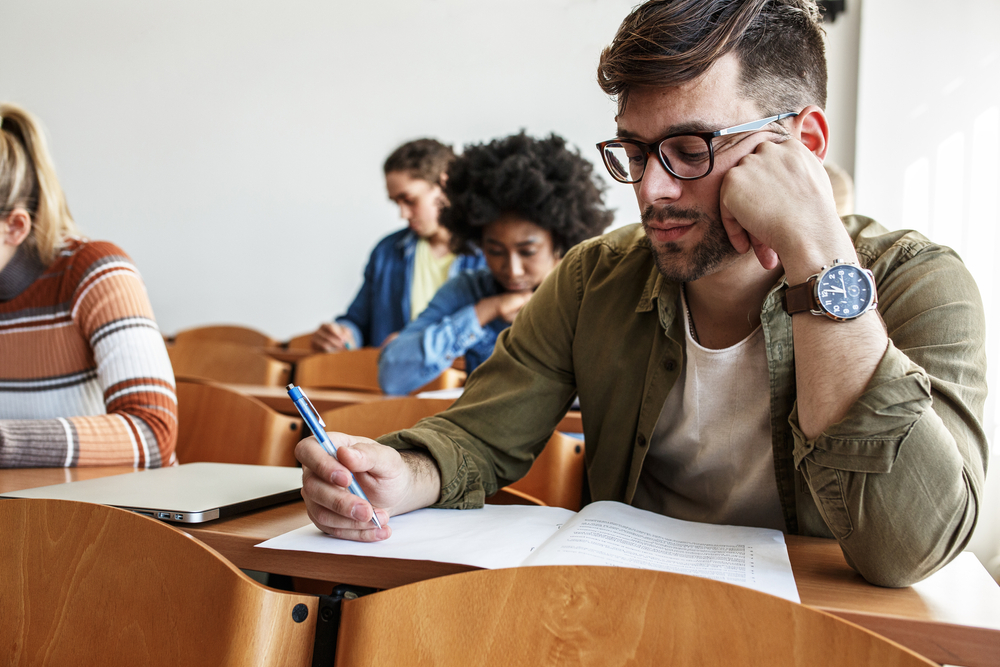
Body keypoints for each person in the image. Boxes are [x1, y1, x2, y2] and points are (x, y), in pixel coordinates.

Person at [295, 0, 988, 588]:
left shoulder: (918, 283)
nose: (651, 190)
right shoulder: (593, 277)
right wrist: (402, 472)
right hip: (628, 621)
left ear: (802, 145)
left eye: (691, 150)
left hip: (826, 641)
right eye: (635, 150)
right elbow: (476, 435)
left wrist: (819, 258)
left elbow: (911, 550)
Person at [0, 103, 177, 467]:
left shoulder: (95, 273)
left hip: (106, 518)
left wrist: (7, 443)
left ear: (15, 227)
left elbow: (153, 432)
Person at [377, 133, 614, 395]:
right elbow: (392, 375)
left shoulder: (592, 292)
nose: (512, 270)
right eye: (495, 251)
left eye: (528, 252)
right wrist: (484, 311)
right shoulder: (470, 291)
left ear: (559, 241)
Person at [310, 139, 485, 352]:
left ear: (444, 185)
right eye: (396, 203)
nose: (403, 214)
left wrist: (416, 344)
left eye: (409, 200)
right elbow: (358, 322)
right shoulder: (387, 252)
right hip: (388, 383)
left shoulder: (491, 253)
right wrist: (341, 335)